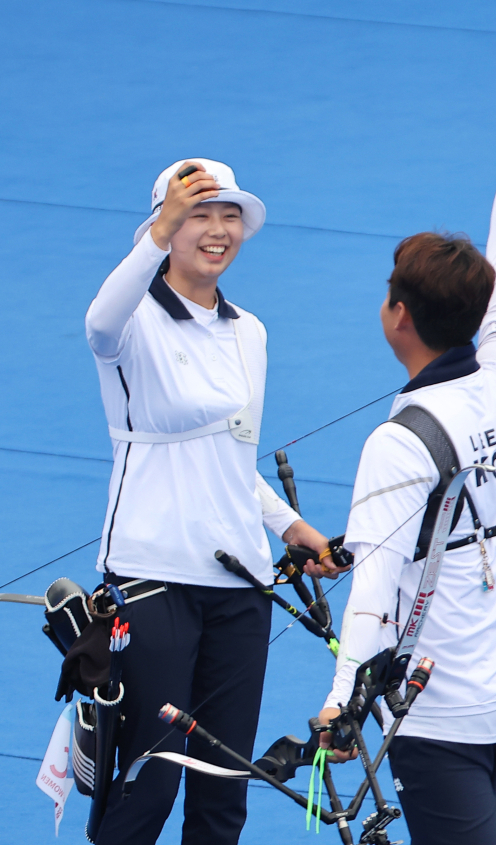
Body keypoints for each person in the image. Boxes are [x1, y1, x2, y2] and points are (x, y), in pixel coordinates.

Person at [313, 45, 496, 844]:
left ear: (399, 317)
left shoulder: (398, 441)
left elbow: (375, 590)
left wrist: (343, 700)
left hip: (439, 709)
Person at [85, 157, 328, 845]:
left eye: (230, 216)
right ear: (165, 225)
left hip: (240, 584)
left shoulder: (249, 331)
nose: (218, 230)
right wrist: (157, 231)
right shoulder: (130, 321)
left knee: (223, 788)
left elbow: (232, 457)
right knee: (148, 783)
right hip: (153, 573)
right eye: (199, 214)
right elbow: (97, 322)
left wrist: (292, 527)